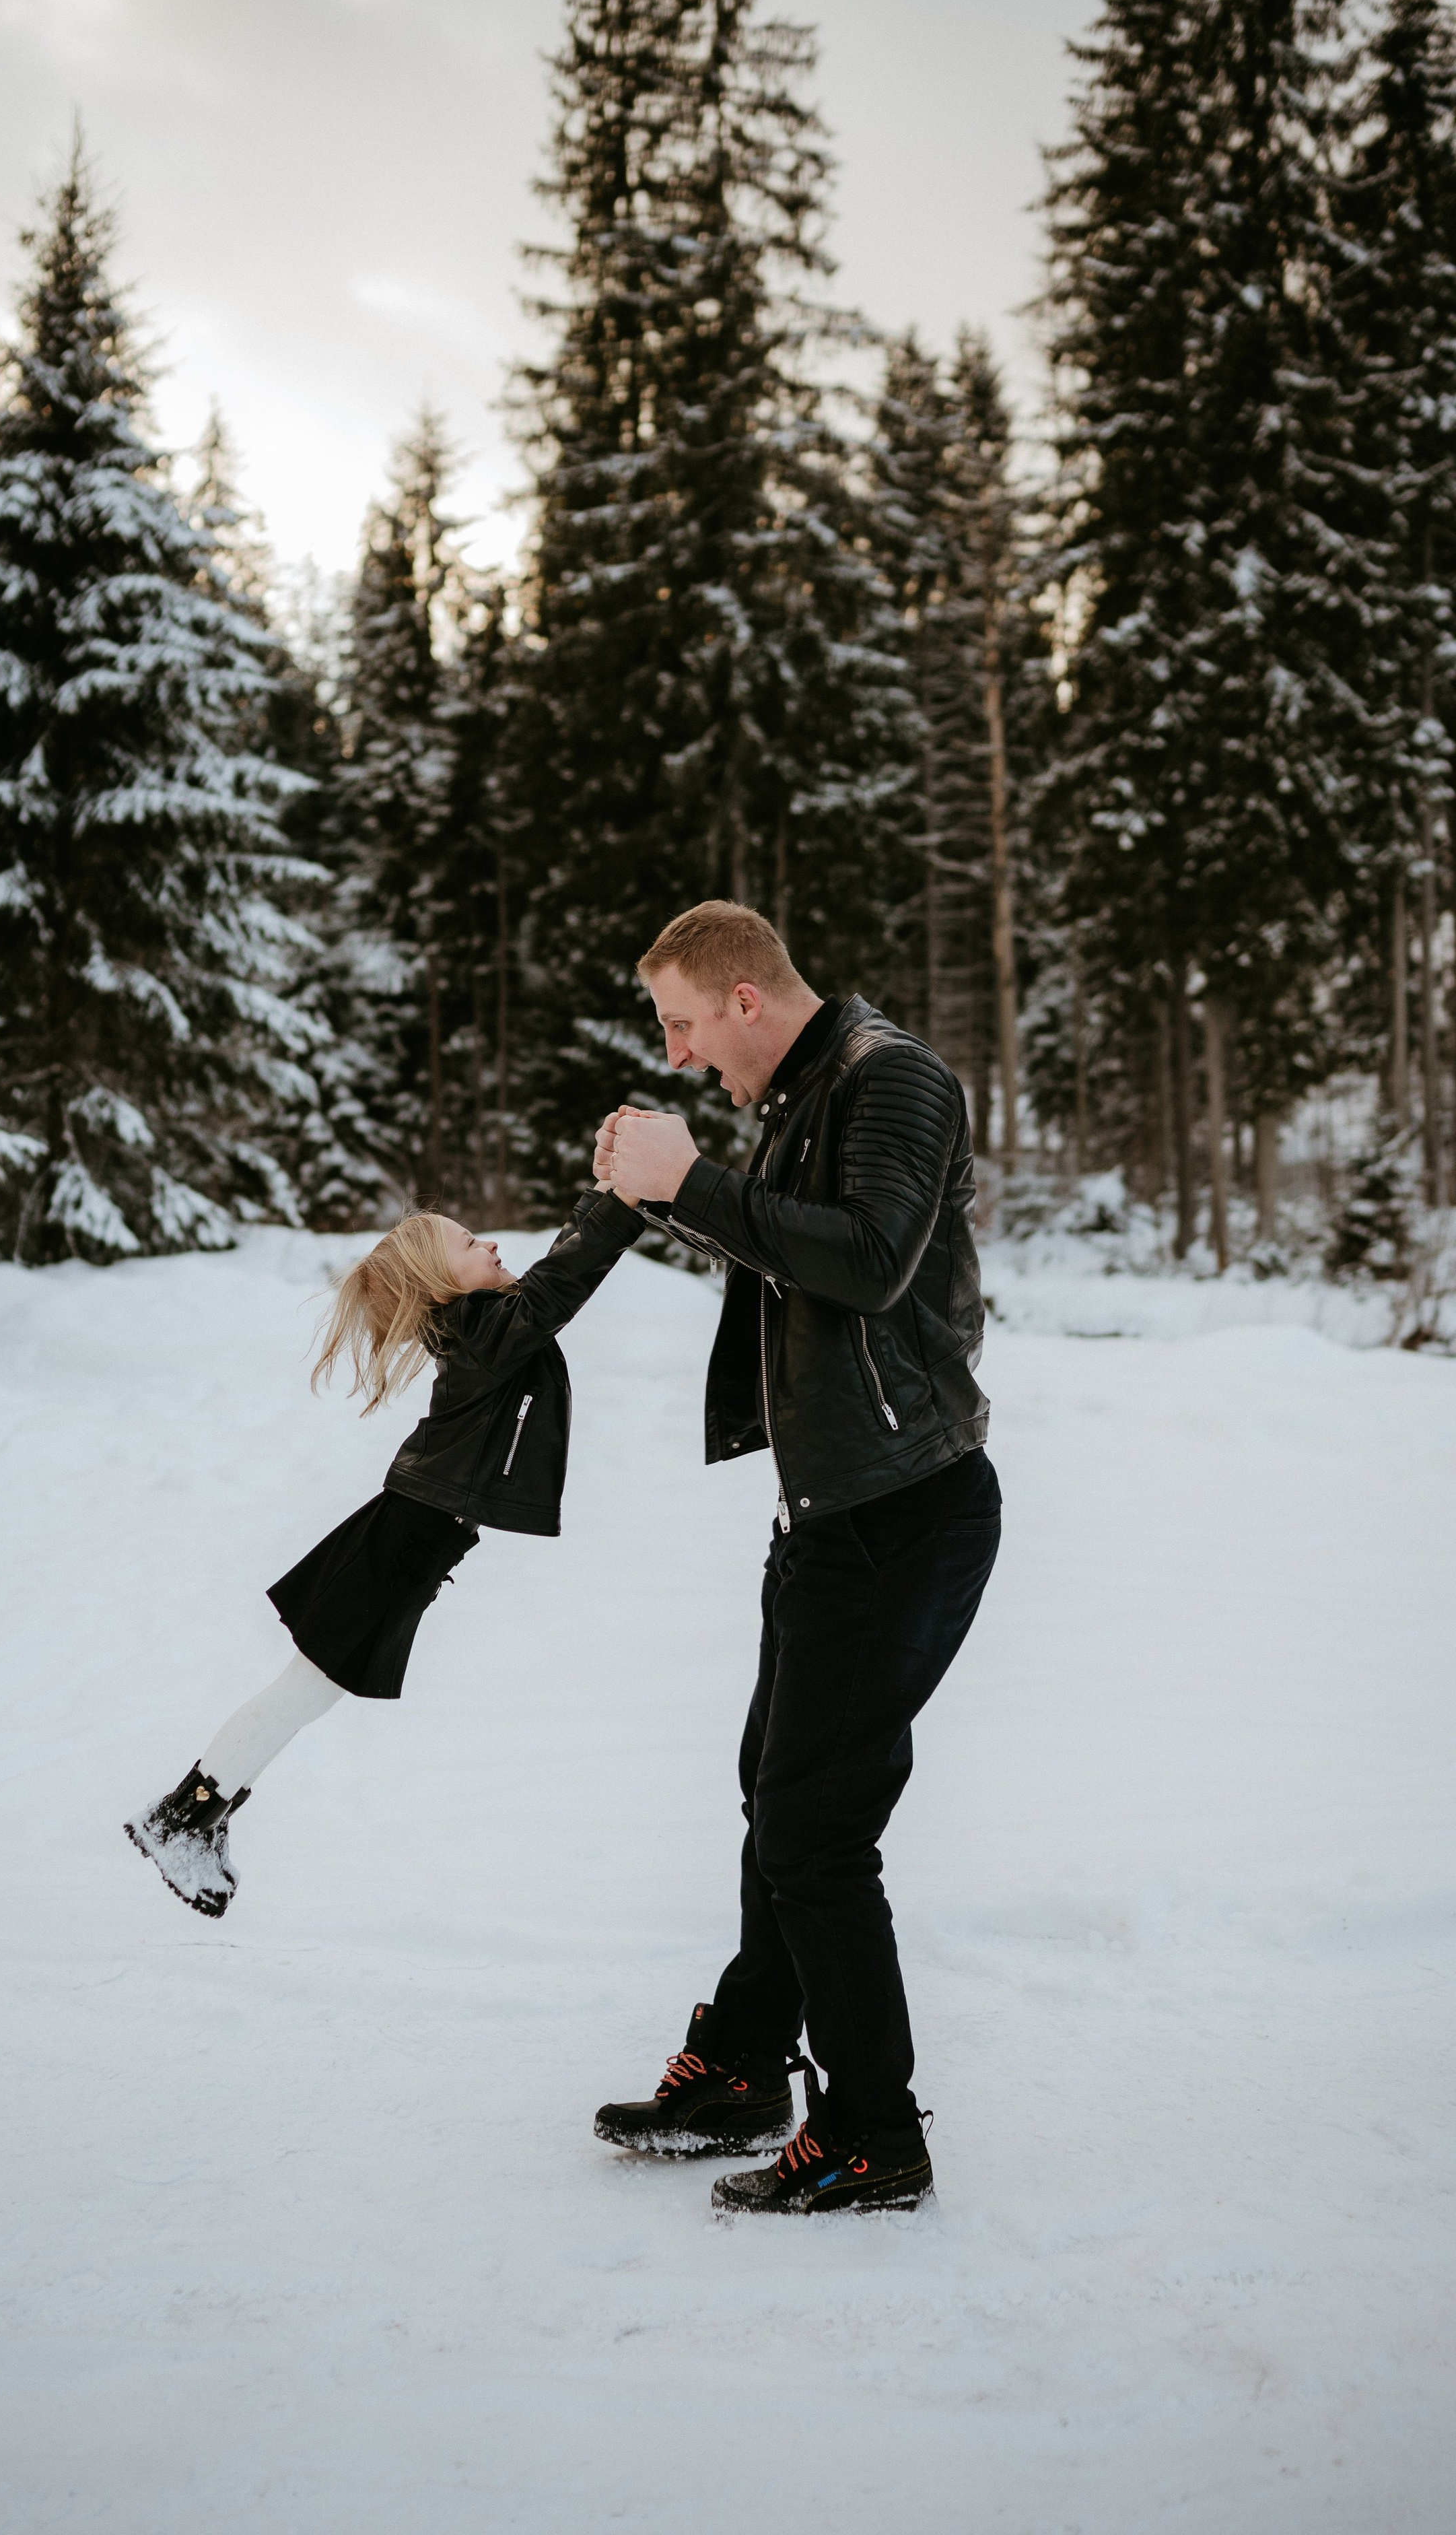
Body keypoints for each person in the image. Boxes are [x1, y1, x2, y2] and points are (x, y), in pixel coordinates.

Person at [591, 900, 1000, 2217]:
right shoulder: (803, 1092)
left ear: (746, 1001)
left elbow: (874, 1264)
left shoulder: (892, 1081)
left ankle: (872, 2133)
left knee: (814, 1824)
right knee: (777, 1790)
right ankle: (745, 2066)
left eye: (685, 1022)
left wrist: (691, 1185)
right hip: (832, 1509)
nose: (679, 1054)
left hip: (905, 1508)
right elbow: (791, 1252)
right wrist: (678, 1199)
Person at [125, 1192, 644, 1916]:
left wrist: (605, 1196)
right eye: (469, 1243)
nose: (490, 1244)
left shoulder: (482, 1326)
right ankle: (181, 1819)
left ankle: (195, 1813)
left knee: (307, 1694)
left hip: (414, 1538)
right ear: (440, 1284)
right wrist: (622, 1205)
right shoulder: (481, 1333)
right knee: (302, 1693)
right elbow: (561, 1284)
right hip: (402, 1541)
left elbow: (547, 1280)